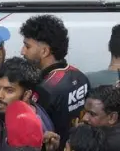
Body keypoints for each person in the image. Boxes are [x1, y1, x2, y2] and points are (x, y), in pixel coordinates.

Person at [21, 13, 90, 143]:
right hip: (79, 146)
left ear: (45, 51)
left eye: (27, 46)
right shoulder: (81, 76)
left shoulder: (43, 89)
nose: (22, 51)